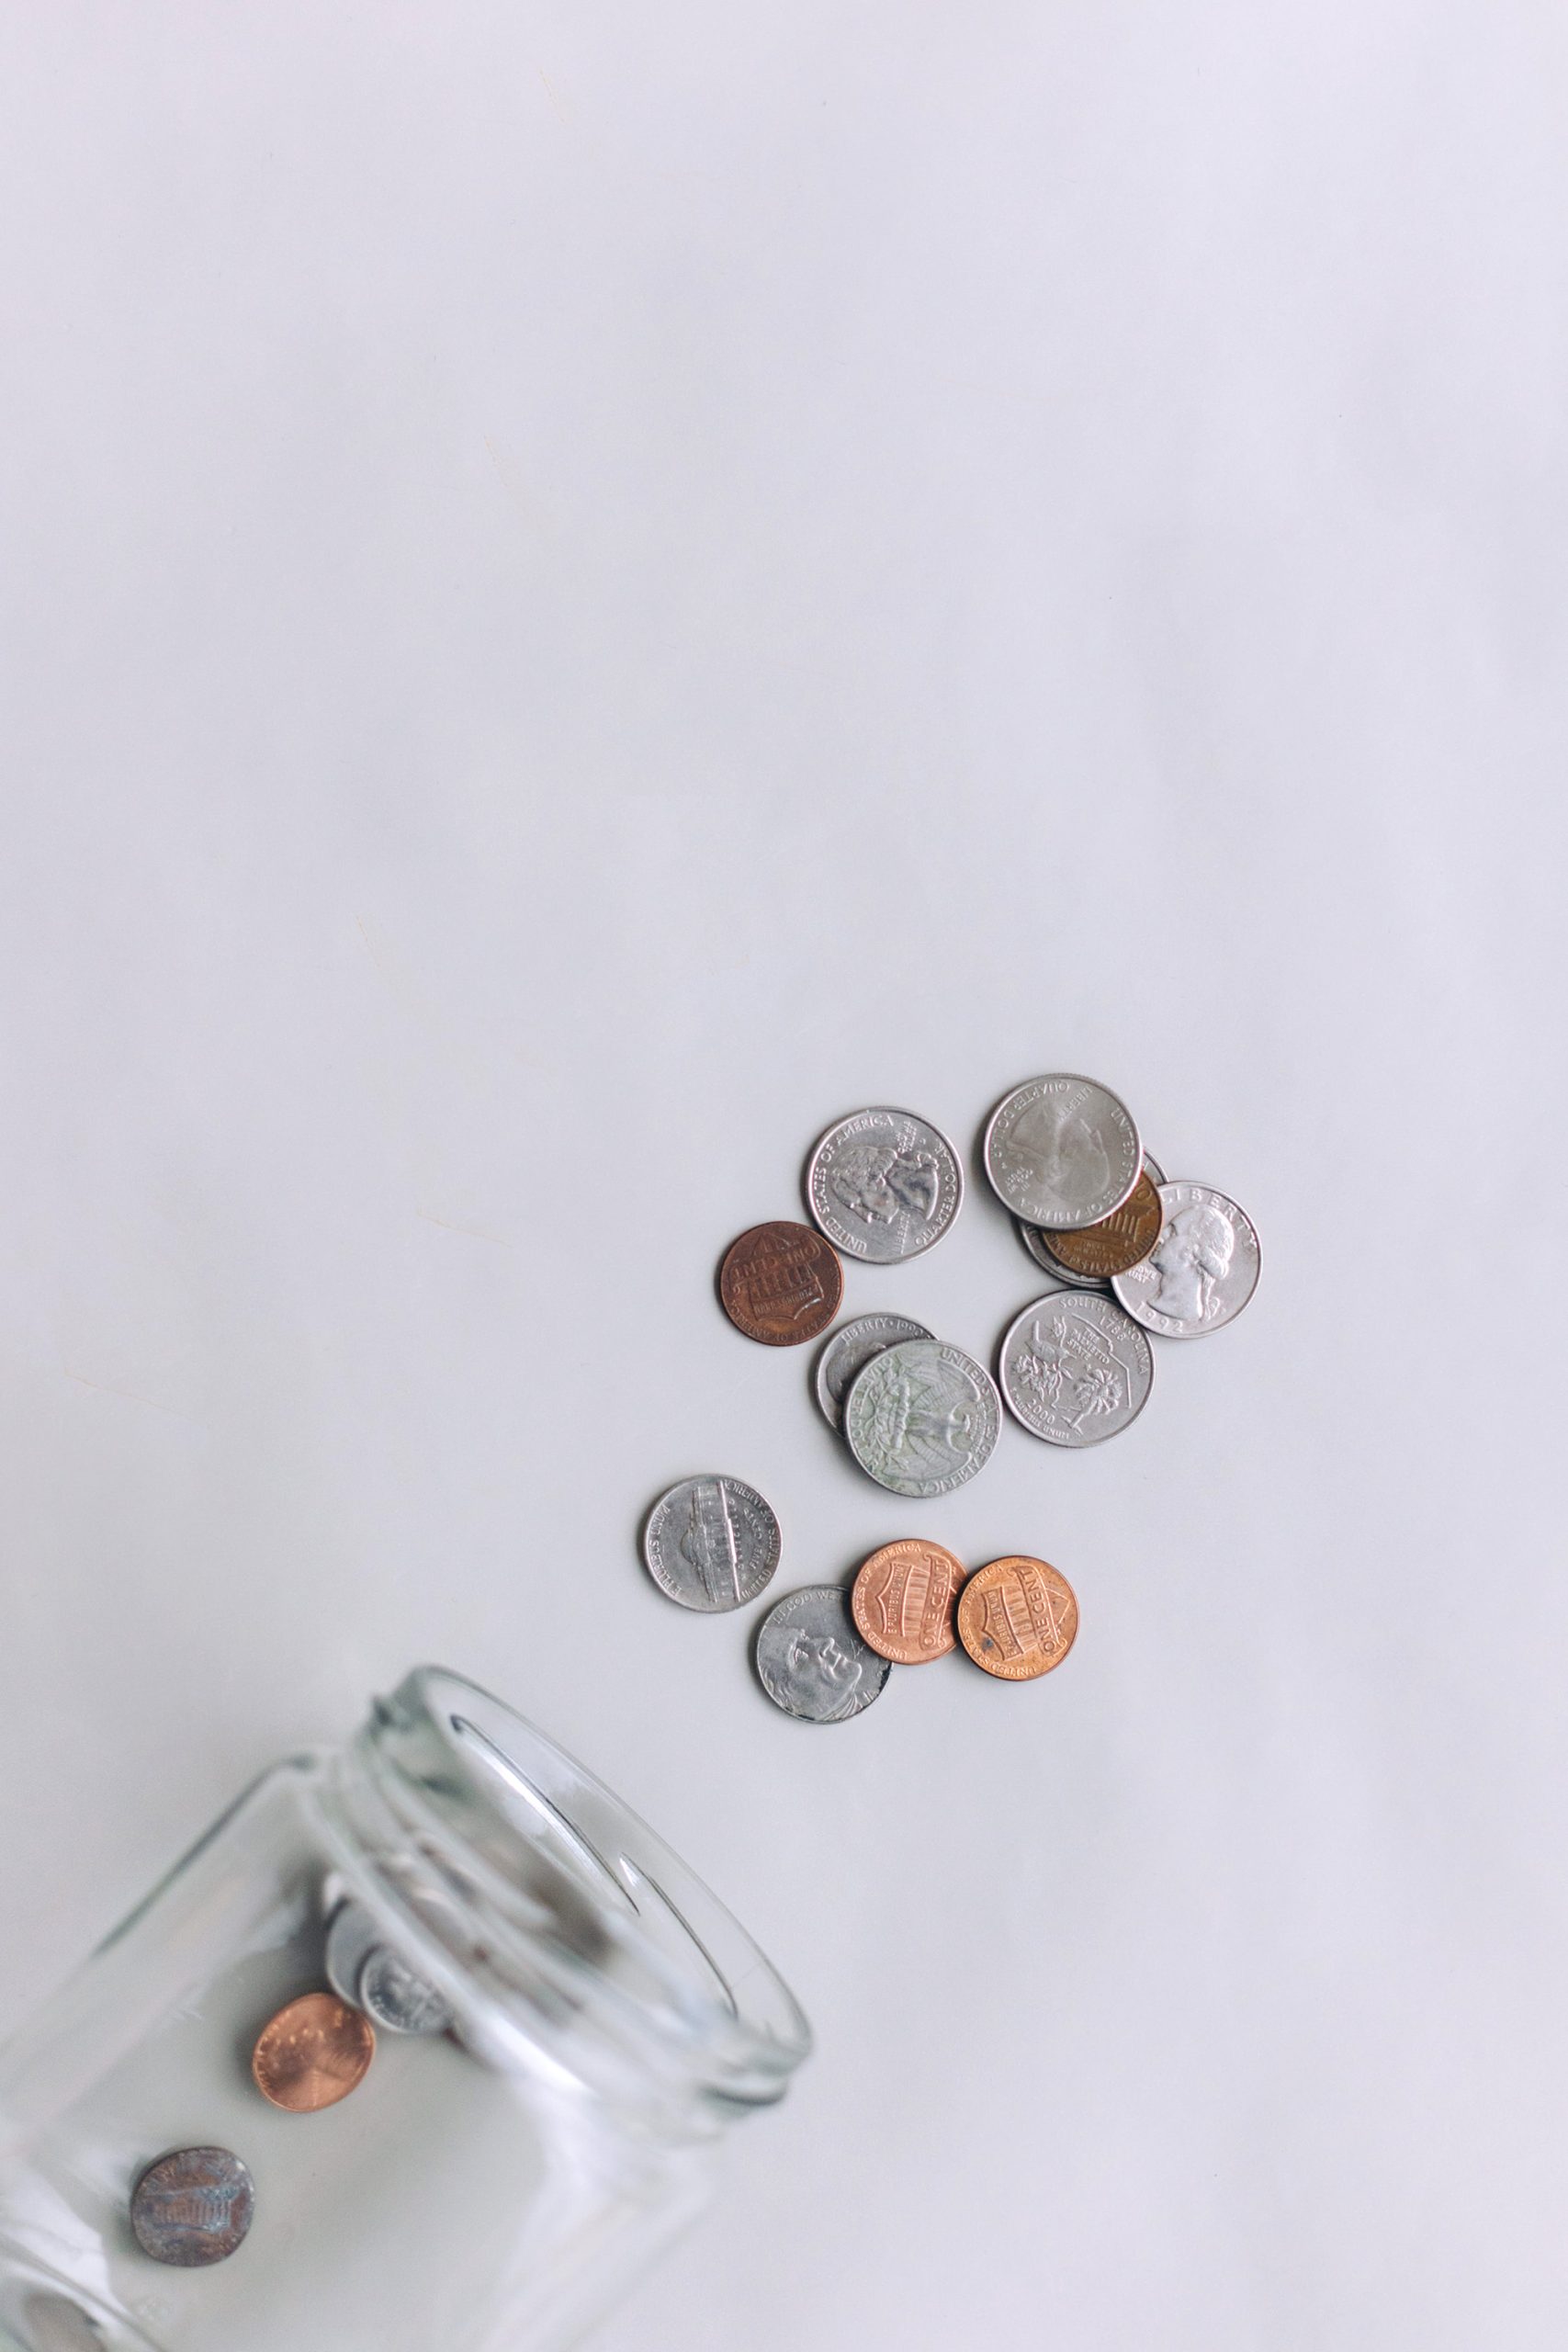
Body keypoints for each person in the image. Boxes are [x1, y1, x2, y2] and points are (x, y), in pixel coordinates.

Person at [1145, 1199, 1234, 1324]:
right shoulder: (1156, 1302)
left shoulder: (1185, 1312)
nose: (1159, 1237)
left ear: (1191, 1253)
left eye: (1172, 1232)